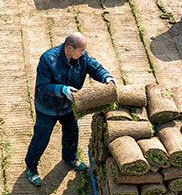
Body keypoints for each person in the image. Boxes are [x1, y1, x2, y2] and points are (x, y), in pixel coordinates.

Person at [26, 32, 116, 186]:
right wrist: (62, 89)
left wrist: (106, 76)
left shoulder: (81, 57)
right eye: (80, 50)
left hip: (68, 106)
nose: (83, 53)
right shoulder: (48, 60)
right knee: (41, 138)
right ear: (69, 48)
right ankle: (31, 167)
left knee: (72, 132)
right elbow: (43, 86)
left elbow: (93, 66)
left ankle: (69, 157)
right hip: (47, 107)